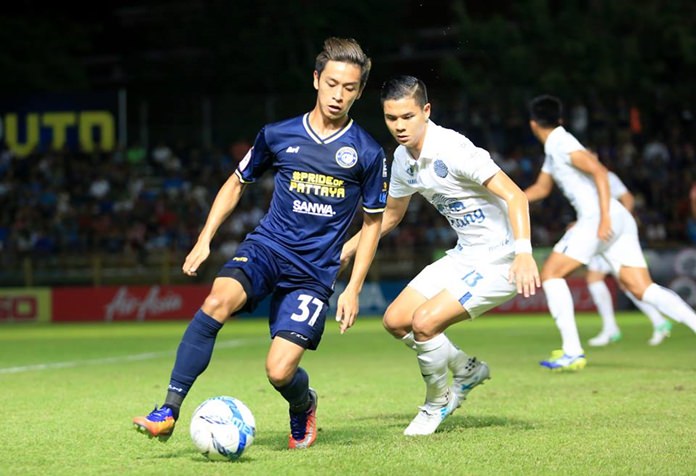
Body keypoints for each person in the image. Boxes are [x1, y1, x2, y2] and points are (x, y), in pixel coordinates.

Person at [133, 37, 388, 450]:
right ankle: (168, 410)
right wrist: (204, 240)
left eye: (349, 88)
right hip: (268, 247)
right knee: (217, 300)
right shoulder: (278, 134)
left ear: (359, 92)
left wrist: (354, 288)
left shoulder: (368, 152)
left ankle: (303, 404)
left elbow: (374, 224)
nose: (339, 95)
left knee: (279, 372)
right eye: (332, 83)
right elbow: (237, 182)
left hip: (314, 271)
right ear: (316, 80)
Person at [341, 75, 540, 436]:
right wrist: (348, 248)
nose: (399, 126)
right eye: (391, 118)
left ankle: (438, 403)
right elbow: (392, 215)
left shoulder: (454, 149)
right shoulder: (402, 159)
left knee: (425, 322)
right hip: (465, 255)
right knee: (396, 320)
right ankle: (466, 368)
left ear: (426, 111)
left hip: (502, 260)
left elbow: (516, 196)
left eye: (407, 117)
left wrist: (524, 253)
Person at [524, 94, 696, 371]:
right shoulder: (555, 146)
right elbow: (541, 189)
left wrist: (603, 218)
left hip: (601, 217)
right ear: (560, 119)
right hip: (617, 218)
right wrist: (510, 198)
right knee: (642, 288)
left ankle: (572, 351)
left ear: (533, 124)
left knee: (551, 273)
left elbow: (600, 173)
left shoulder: (561, 143)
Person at [585, 170, 672, 347]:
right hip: (598, 231)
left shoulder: (606, 176)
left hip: (609, 234)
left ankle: (611, 328)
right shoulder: (581, 180)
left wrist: (618, 223)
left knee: (597, 279)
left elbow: (628, 199)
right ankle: (658, 321)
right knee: (627, 284)